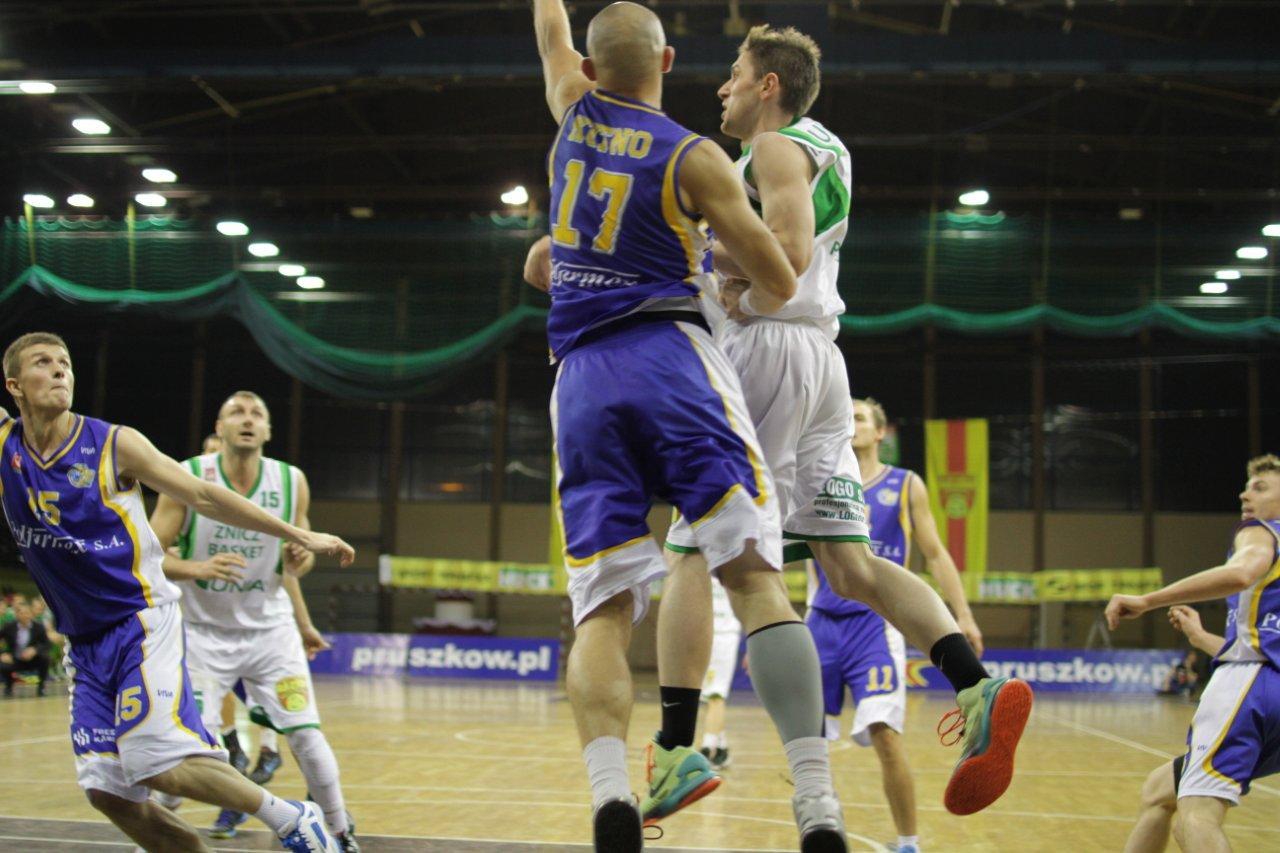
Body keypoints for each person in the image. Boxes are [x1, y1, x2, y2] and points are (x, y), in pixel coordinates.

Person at [529, 2, 849, 849]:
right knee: (753, 577)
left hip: (582, 379)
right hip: (674, 361)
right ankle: (817, 799)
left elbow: (552, 35)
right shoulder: (694, 155)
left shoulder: (570, 114)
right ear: (667, 60)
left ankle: (611, 796)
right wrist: (706, 248)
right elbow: (780, 275)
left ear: (589, 70)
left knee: (602, 607)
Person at [0, 332, 353, 853]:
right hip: (84, 641)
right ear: (14, 386)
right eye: (43, 363)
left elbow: (205, 496)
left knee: (157, 762)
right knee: (108, 793)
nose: (59, 371)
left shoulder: (114, 443)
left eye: (65, 363)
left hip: (139, 621)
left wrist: (298, 534)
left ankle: (294, 817)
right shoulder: (6, 444)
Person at [149, 390, 356, 851]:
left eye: (257, 413)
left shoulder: (291, 480)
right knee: (182, 748)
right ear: (218, 428)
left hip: (270, 633)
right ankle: (157, 833)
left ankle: (341, 833)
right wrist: (196, 568)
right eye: (236, 412)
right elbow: (149, 555)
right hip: (202, 634)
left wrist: (300, 560)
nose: (247, 419)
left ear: (267, 430)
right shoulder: (186, 474)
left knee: (306, 735)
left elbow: (297, 563)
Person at [807, 398, 985, 853]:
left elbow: (936, 554)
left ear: (880, 432)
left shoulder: (905, 485)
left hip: (875, 624)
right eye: (846, 416)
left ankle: (908, 842)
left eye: (860, 417)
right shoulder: (817, 478)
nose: (852, 423)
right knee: (808, 741)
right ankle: (820, 829)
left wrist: (962, 614)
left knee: (885, 735)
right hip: (820, 621)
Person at [1109, 453, 1280, 853]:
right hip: (1269, 688)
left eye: (1260, 487)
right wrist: (1201, 637)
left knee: (1198, 815)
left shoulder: (1262, 532)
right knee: (1159, 790)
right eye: (1246, 487)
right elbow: (1266, 650)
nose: (1245, 494)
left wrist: (1148, 600)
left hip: (1251, 687)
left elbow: (1241, 572)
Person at [697, 576, 742, 770]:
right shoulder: (701, 570)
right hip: (704, 635)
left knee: (716, 695)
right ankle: (720, 748)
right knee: (710, 696)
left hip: (723, 636)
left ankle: (708, 750)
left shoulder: (733, 570)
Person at [0, 599, 51, 696]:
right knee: (2, 664)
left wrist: (35, 650)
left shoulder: (38, 627)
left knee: (46, 659)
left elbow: (47, 644)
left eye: (27, 613)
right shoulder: (9, 627)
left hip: (33, 659)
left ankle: (41, 687)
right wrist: (2, 654)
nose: (25, 616)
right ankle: (9, 686)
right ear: (17, 614)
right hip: (15, 659)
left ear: (31, 614)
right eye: (22, 613)